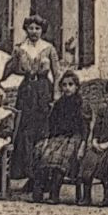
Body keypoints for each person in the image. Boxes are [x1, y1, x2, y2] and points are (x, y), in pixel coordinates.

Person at [4, 15, 60, 186]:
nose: (34, 31)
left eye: (37, 28)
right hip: (27, 91)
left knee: (43, 130)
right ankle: (29, 174)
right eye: (31, 28)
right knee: (25, 132)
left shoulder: (49, 48)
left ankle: (42, 177)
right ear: (26, 29)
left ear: (42, 30)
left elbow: (57, 74)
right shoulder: (20, 48)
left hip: (43, 91)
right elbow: (9, 70)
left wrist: (56, 94)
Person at [32, 71, 88, 204]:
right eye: (64, 85)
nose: (67, 88)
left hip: (74, 137)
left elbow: (85, 128)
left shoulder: (81, 104)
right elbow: (51, 124)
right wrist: (47, 139)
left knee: (60, 157)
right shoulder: (58, 104)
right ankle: (38, 190)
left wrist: (83, 145)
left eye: (71, 85)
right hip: (58, 137)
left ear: (76, 87)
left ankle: (54, 193)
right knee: (43, 152)